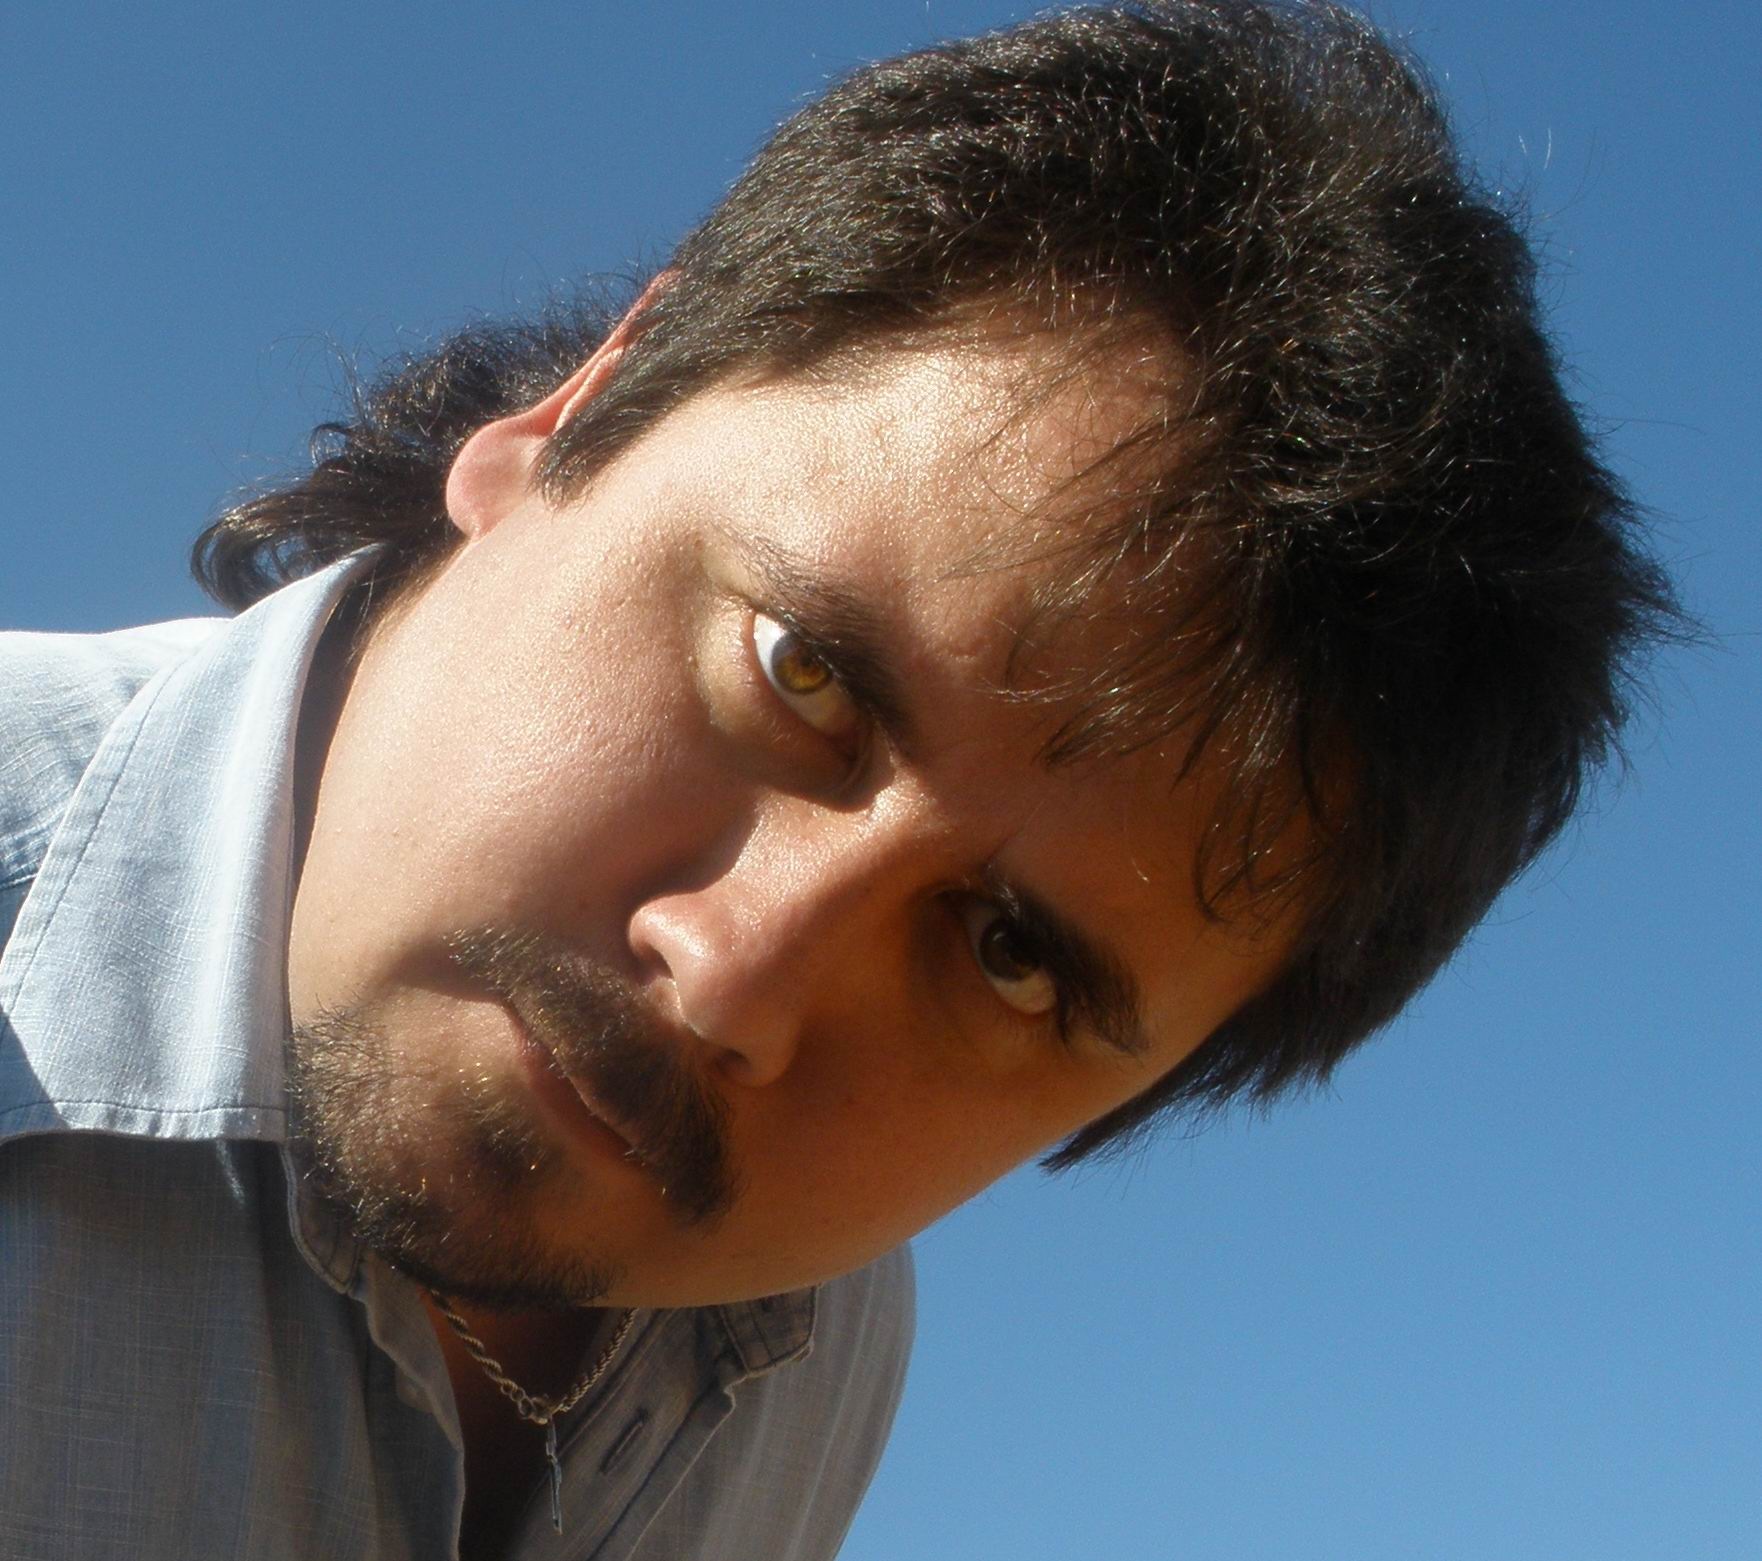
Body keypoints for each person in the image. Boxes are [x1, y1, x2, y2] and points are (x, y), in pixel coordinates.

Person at [0, 2, 1677, 1557]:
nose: (735, 976)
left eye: (1007, 956)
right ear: (579, 412)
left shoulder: (811, 1347)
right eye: (800, 671)